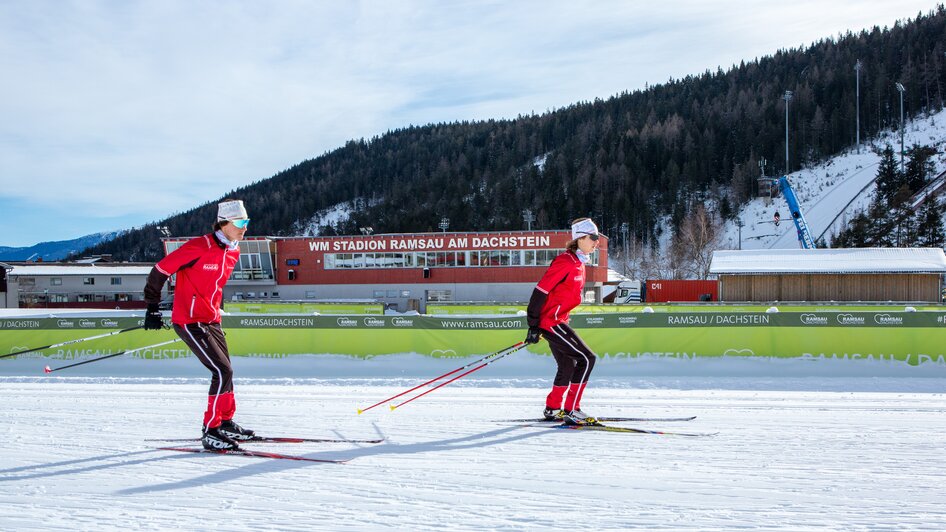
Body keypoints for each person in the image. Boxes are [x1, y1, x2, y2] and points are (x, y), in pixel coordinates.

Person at [143, 199, 254, 450]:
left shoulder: (233, 249)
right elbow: (160, 270)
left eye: (246, 222)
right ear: (224, 224)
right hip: (189, 320)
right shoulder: (198, 246)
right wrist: (152, 307)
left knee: (227, 371)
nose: (244, 228)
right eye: (239, 223)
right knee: (221, 371)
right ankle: (211, 430)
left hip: (212, 319)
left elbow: (213, 285)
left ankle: (225, 422)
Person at [524, 218, 601, 426]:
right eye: (593, 238)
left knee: (567, 365)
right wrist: (533, 324)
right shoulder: (565, 262)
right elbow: (540, 291)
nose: (597, 242)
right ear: (580, 238)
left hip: (559, 320)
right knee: (587, 359)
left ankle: (553, 408)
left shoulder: (579, 263)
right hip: (550, 321)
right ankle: (572, 410)